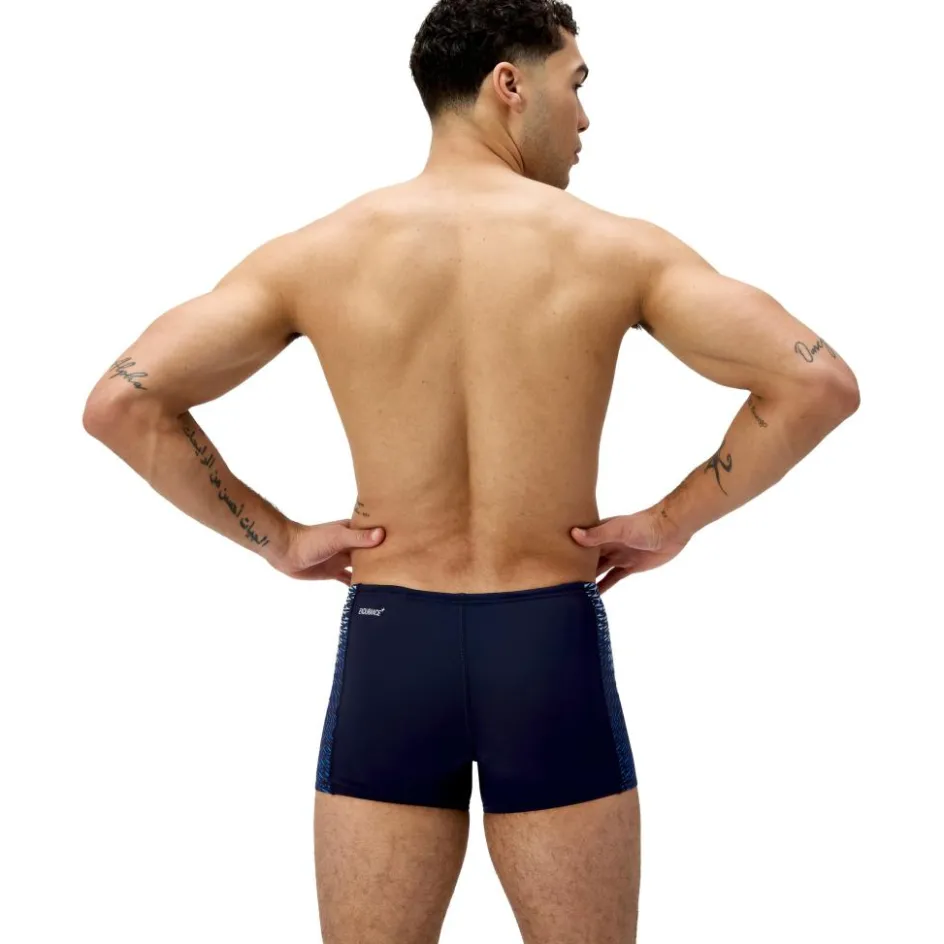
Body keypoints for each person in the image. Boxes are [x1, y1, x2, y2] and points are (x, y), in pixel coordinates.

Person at [82, 1, 860, 941]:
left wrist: (277, 540)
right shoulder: (616, 249)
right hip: (547, 645)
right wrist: (672, 520)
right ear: (509, 84)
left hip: (391, 644)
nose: (585, 117)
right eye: (576, 84)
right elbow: (817, 383)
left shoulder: (318, 254)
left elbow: (123, 402)